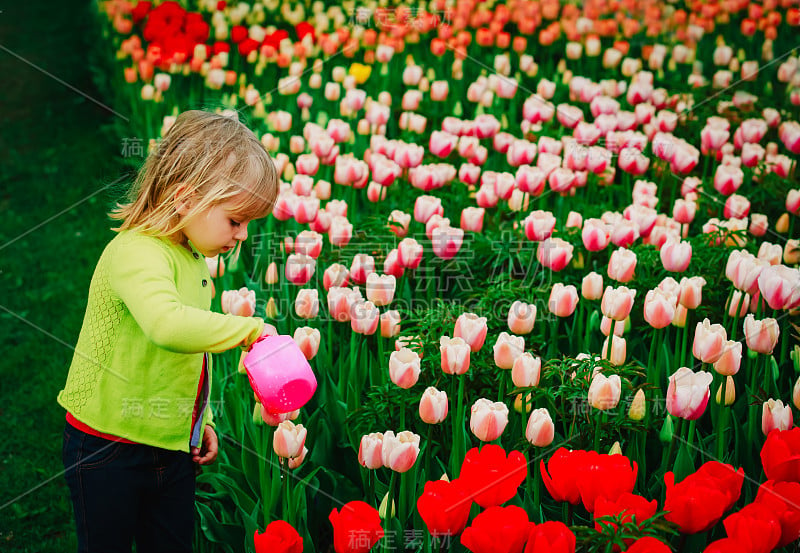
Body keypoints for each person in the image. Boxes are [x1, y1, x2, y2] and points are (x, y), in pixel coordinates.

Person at [58, 110, 279, 552]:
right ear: (185, 198)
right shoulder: (136, 252)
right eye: (235, 220)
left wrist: (203, 421)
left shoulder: (194, 261)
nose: (242, 235)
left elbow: (189, 354)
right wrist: (250, 330)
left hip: (172, 444)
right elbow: (166, 326)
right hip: (108, 445)